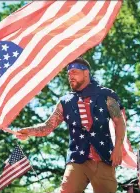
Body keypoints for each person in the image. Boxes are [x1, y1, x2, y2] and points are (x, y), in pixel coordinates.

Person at [16, 57, 126, 193]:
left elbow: (119, 122)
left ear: (86, 73)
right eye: (68, 74)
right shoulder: (65, 101)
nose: (70, 76)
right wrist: (28, 131)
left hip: (103, 157)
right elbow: (47, 126)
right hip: (77, 159)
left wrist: (118, 147)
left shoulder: (106, 95)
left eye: (74, 72)